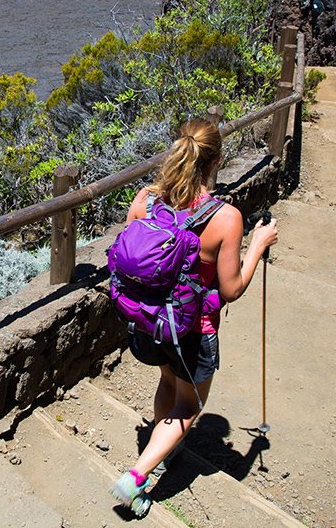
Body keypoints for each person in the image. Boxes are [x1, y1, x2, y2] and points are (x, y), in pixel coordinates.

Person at [110, 118, 279, 517]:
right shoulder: (225, 218)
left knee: (167, 381)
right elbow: (231, 289)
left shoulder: (145, 200)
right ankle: (135, 478)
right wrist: (258, 245)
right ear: (217, 160)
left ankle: (162, 445)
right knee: (188, 406)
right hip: (191, 331)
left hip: (146, 325)